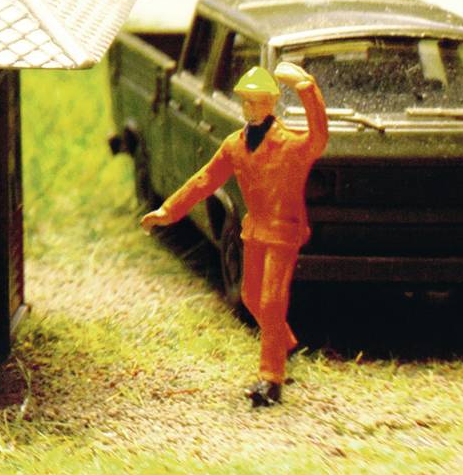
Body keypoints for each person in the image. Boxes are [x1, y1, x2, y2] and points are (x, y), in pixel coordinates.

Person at [141, 59, 329, 407]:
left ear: (272, 103)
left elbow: (318, 136)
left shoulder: (290, 145)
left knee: (272, 302)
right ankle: (283, 343)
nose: (249, 108)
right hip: (255, 230)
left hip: (283, 232)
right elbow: (204, 180)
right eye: (244, 101)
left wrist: (305, 88)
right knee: (251, 297)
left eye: (256, 101)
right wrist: (168, 211)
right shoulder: (234, 145)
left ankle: (270, 379)